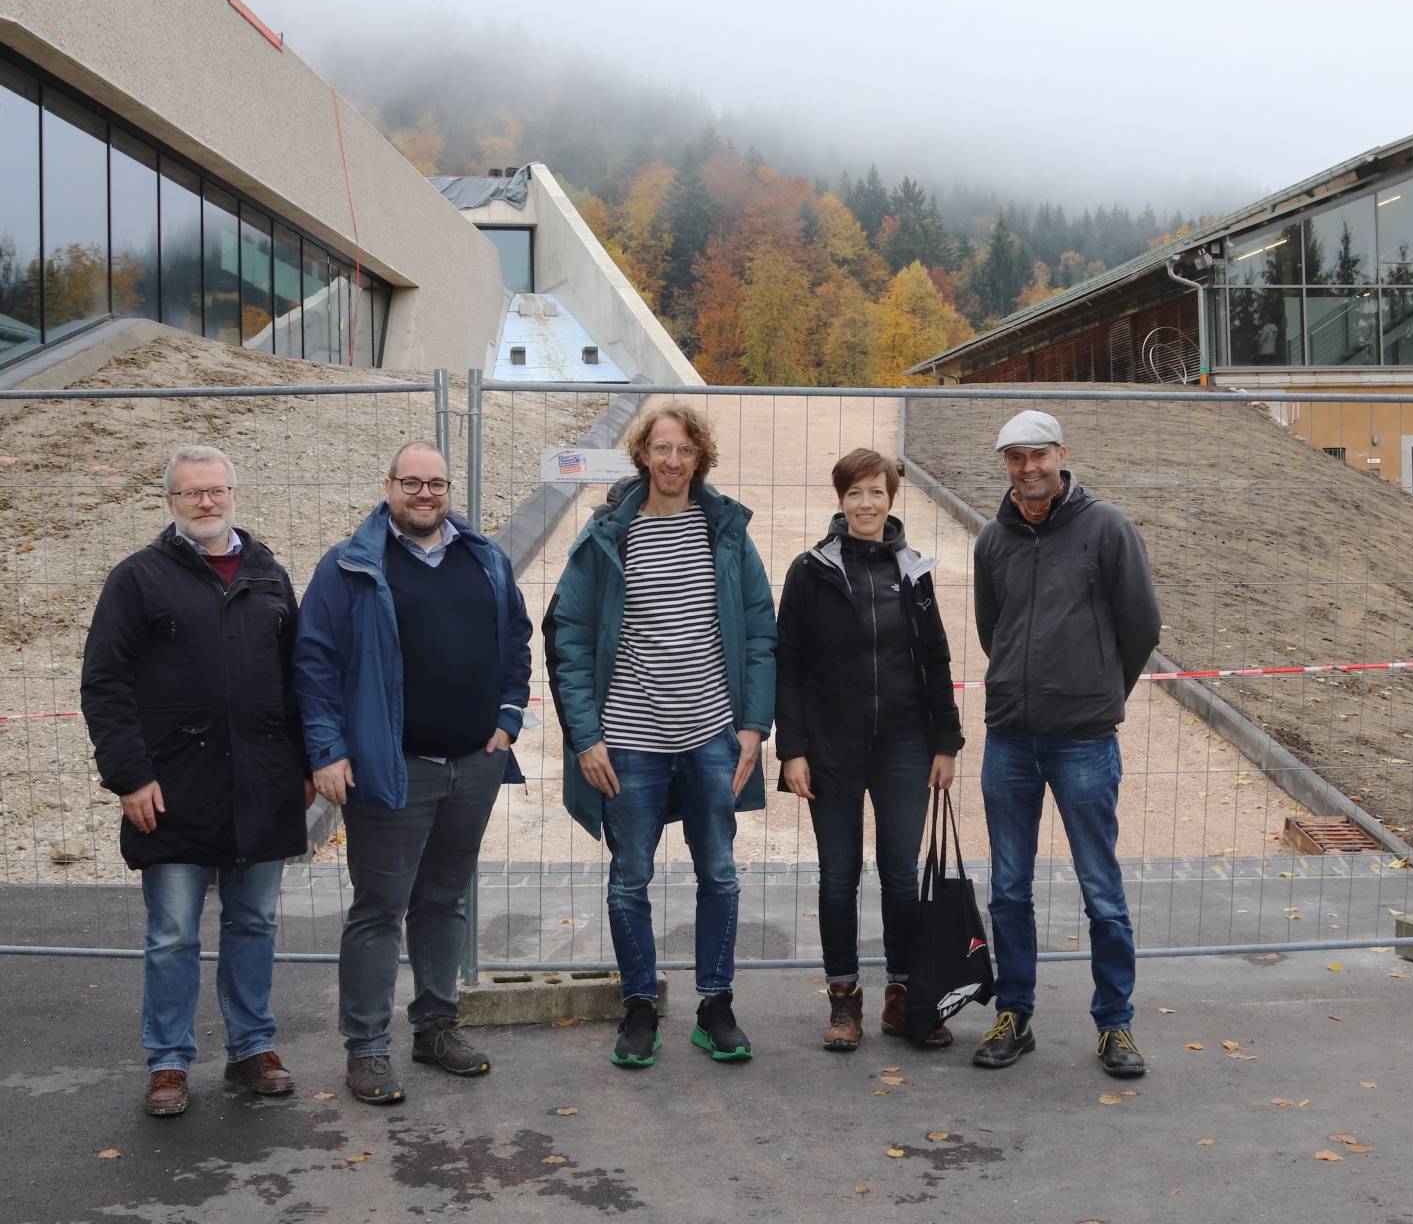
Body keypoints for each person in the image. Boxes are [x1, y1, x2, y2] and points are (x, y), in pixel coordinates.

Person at [293, 442, 532, 1105]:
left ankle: (434, 1026)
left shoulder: (483, 558)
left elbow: (515, 639)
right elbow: (313, 662)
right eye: (412, 483)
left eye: (437, 483)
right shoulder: (350, 565)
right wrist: (326, 751)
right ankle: (367, 1048)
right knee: (379, 909)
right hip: (390, 769)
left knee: (443, 900)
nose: (425, 494)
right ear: (389, 486)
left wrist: (509, 716)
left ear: (449, 489)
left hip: (475, 765)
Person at [80, 445, 313, 1117]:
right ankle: (169, 1061)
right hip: (173, 788)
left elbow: (298, 678)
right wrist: (129, 775)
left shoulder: (269, 574)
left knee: (254, 922)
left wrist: (302, 763)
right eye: (191, 493)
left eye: (216, 490)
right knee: (173, 932)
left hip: (263, 783)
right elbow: (104, 684)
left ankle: (251, 1047)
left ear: (235, 493)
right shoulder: (138, 579)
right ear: (170, 502)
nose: (205, 502)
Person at [545, 404, 775, 1070]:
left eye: (685, 449)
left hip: (712, 736)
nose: (673, 460)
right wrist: (586, 737)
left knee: (720, 874)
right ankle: (640, 1007)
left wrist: (754, 727)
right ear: (643, 454)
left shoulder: (725, 532)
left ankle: (715, 1006)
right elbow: (569, 637)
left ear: (700, 458)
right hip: (628, 740)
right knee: (630, 879)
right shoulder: (608, 536)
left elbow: (760, 630)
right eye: (662, 448)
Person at [970, 410, 1161, 1078]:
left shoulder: (1106, 528)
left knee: (1100, 889)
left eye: (1038, 455)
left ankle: (1115, 1024)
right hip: (1010, 739)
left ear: (1061, 454)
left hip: (1083, 739)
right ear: (1006, 464)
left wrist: (1098, 690)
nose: (1028, 468)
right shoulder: (993, 539)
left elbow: (1141, 626)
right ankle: (1014, 1015)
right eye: (1015, 457)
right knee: (1008, 888)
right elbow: (993, 629)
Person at [775, 448, 965, 1051]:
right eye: (855, 493)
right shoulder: (810, 571)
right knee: (839, 875)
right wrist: (793, 748)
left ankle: (903, 997)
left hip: (905, 745)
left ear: (891, 499)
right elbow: (788, 666)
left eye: (876, 492)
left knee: (900, 874)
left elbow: (935, 658)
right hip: (830, 747)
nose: (865, 504)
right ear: (840, 500)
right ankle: (843, 999)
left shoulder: (913, 571)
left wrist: (946, 741)